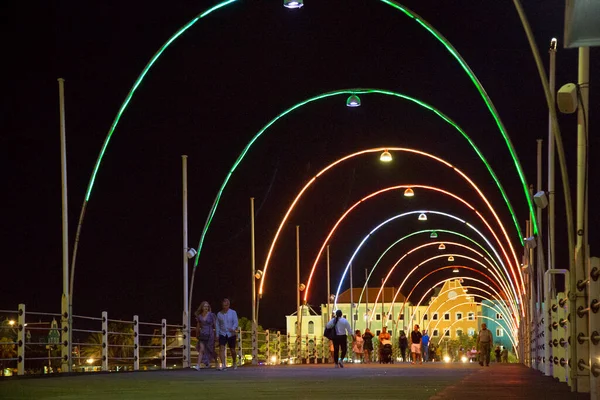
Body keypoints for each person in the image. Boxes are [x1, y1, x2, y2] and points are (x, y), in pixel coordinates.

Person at [193, 301, 217, 370]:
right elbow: (198, 326)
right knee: (202, 349)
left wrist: (217, 334)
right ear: (202, 307)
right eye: (204, 306)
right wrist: (197, 334)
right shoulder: (199, 316)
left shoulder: (211, 315)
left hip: (210, 334)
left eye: (207, 306)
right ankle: (198, 365)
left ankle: (216, 363)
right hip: (203, 334)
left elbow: (215, 325)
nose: (206, 308)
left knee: (210, 349)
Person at [216, 298, 239, 370]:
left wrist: (233, 328)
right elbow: (217, 325)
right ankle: (223, 364)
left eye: (226, 305)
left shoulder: (233, 312)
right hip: (222, 333)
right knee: (221, 348)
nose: (225, 307)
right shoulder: (219, 314)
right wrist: (217, 334)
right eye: (223, 305)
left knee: (232, 349)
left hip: (231, 333)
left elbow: (236, 322)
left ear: (228, 305)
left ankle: (234, 362)